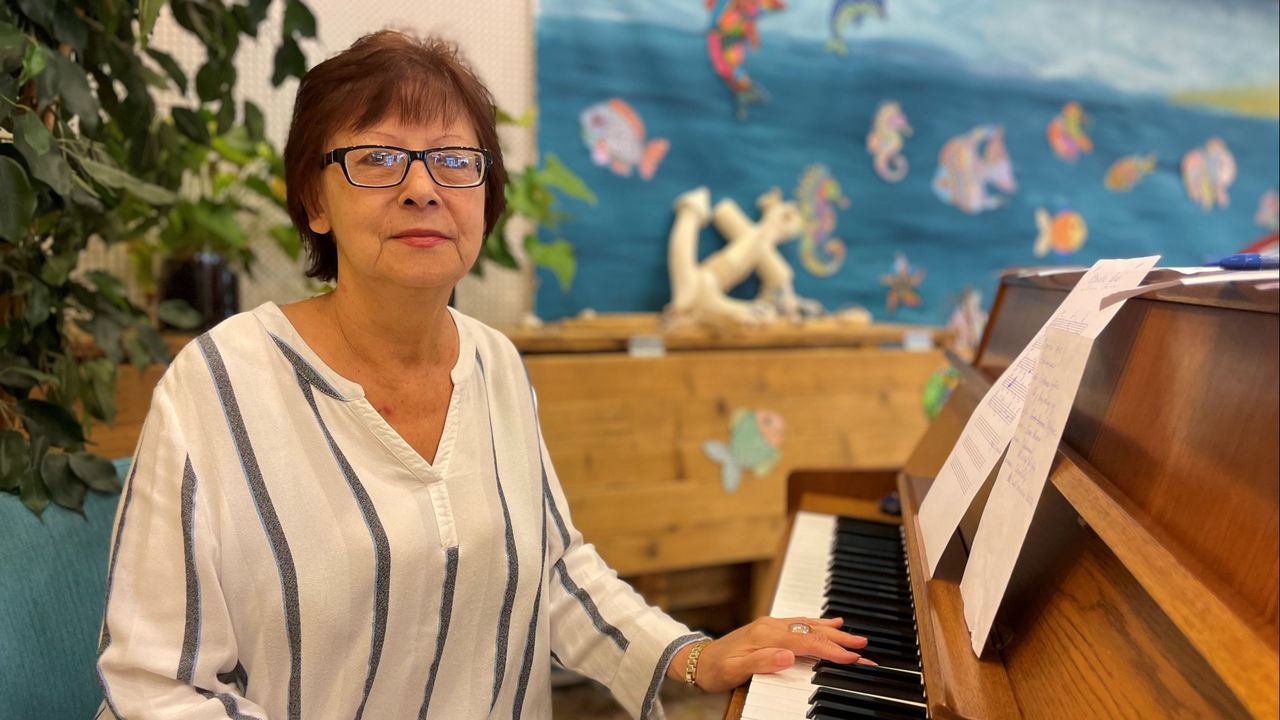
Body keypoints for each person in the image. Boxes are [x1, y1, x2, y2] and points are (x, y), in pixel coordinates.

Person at [95, 30, 872, 720]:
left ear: (485, 197)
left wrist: (692, 655)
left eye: (454, 161)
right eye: (377, 158)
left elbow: (557, 571)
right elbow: (155, 684)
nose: (423, 186)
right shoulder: (218, 385)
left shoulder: (494, 363)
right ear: (313, 200)